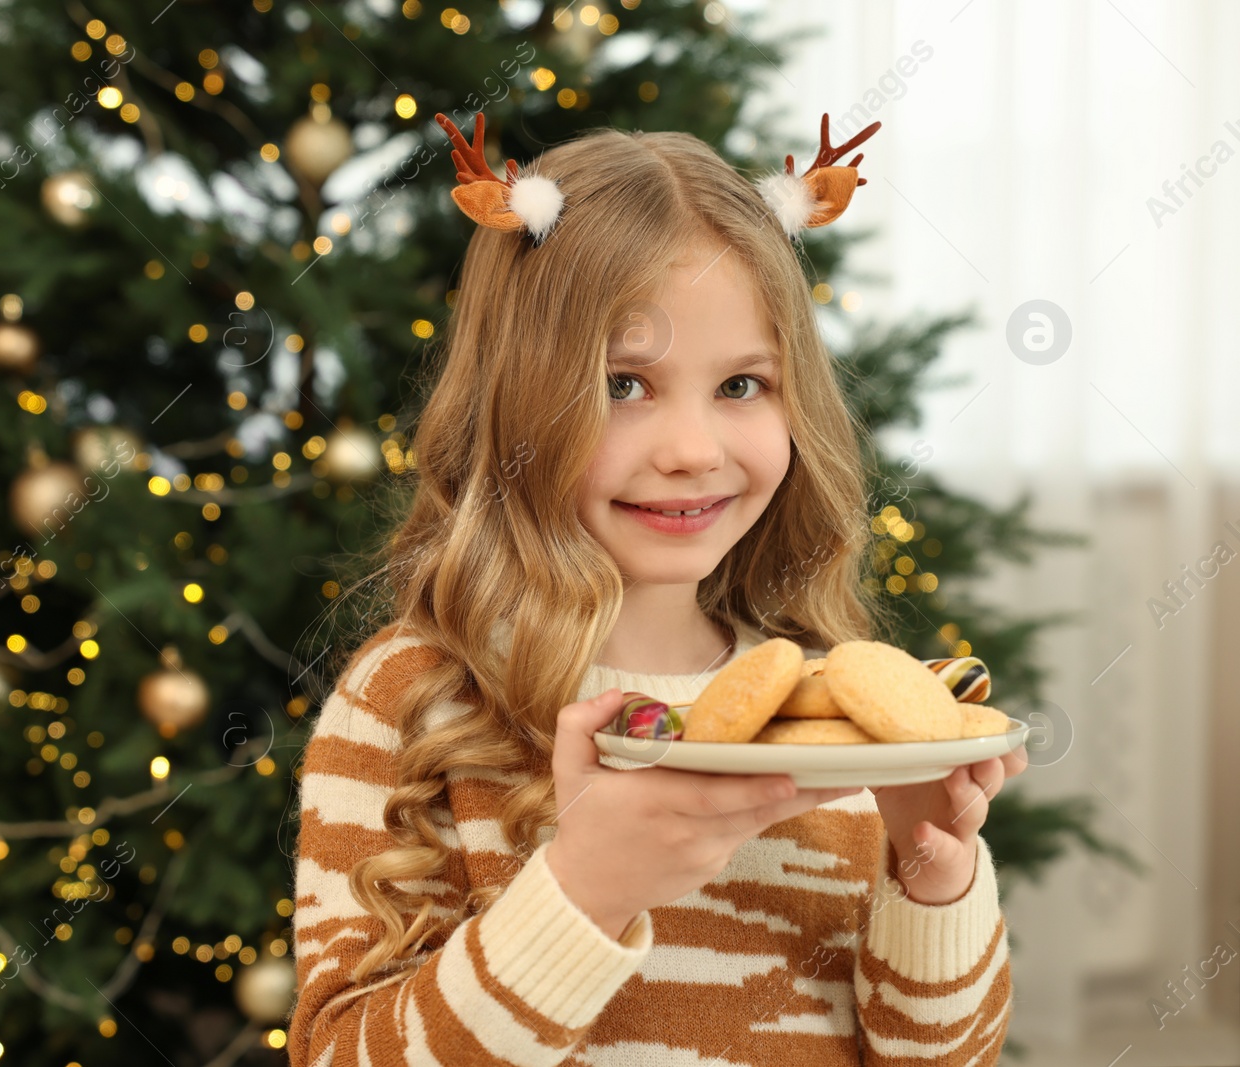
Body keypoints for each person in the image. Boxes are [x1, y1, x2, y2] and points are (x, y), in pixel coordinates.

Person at [285, 110, 1027, 1066]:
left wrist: (934, 871)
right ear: (520, 400)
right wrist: (584, 890)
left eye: (742, 385)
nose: (691, 452)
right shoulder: (414, 700)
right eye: (624, 385)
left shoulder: (827, 718)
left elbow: (942, 1059)